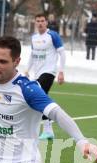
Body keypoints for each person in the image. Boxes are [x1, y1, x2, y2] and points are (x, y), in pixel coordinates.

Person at [25, 13, 65, 141]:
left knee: (38, 97)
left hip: (49, 72)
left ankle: (45, 130)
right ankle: (48, 131)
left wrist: (61, 71)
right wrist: (27, 70)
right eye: (38, 21)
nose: (40, 23)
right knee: (40, 99)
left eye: (42, 21)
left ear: (46, 22)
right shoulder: (34, 37)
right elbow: (33, 55)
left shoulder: (52, 35)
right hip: (37, 73)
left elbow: (62, 53)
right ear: (35, 23)